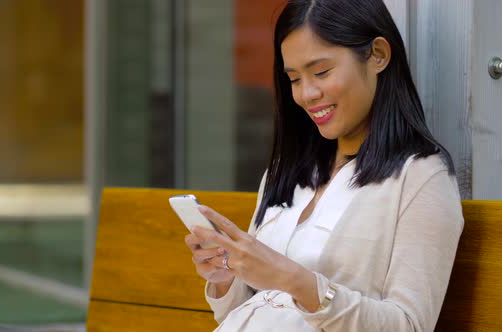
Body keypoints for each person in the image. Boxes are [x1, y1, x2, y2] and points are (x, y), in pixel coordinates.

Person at [184, 0, 464, 331]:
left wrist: (299, 282)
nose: (306, 94)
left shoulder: (420, 176)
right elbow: (250, 309)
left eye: (321, 72)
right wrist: (225, 278)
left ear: (378, 55)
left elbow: (409, 325)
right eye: (294, 79)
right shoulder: (288, 170)